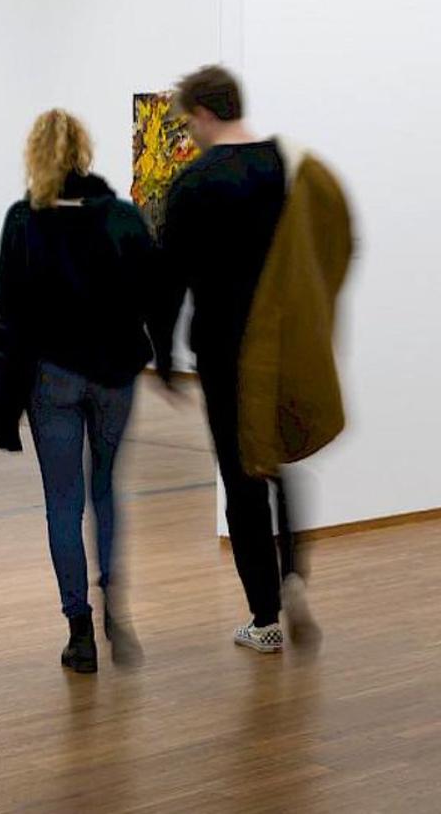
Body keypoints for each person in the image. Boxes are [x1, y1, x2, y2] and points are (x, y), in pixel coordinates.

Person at [0, 110, 164, 673]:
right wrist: (160, 354)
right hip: (115, 378)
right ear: (84, 152)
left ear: (35, 155)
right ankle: (115, 610)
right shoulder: (123, 218)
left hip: (52, 379)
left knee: (63, 501)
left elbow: (10, 317)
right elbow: (153, 292)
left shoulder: (23, 222)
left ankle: (80, 632)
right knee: (105, 491)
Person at [159, 65, 321, 653]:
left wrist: (162, 353)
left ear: (204, 113)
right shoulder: (285, 167)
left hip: (224, 347)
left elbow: (169, 278)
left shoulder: (194, 183)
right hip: (282, 340)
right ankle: (294, 572)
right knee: (279, 462)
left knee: (241, 474)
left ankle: (265, 618)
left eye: (189, 122)